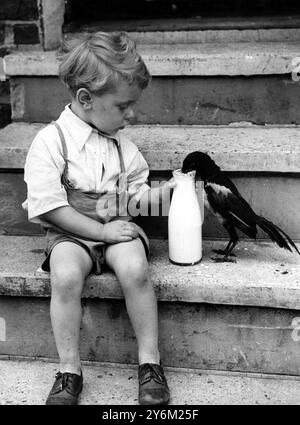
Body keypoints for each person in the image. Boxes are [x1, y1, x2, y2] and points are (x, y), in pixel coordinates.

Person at [22, 31, 174, 405]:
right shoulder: (51, 143)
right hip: (71, 233)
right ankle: (69, 368)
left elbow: (135, 199)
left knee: (136, 269)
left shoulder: (125, 149)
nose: (131, 115)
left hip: (117, 229)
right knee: (66, 274)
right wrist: (100, 231)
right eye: (123, 106)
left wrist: (165, 196)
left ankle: (149, 362)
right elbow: (50, 208)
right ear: (86, 99)